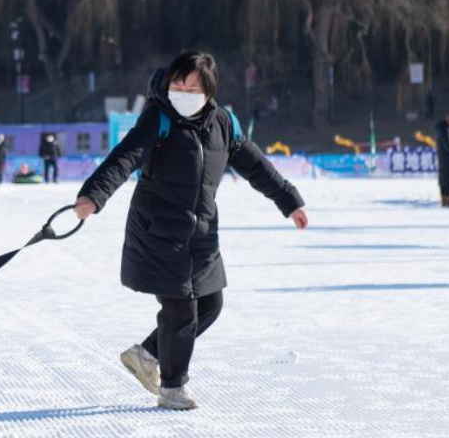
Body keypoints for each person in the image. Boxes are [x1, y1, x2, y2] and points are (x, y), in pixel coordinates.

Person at [73, 50, 308, 411]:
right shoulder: (158, 118)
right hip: (158, 233)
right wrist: (93, 195)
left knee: (211, 303)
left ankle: (147, 355)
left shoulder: (224, 124)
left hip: (201, 235)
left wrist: (289, 200)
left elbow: (256, 166)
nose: (181, 90)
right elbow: (126, 156)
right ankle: (172, 387)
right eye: (177, 83)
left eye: (191, 86)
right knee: (182, 310)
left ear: (208, 91)